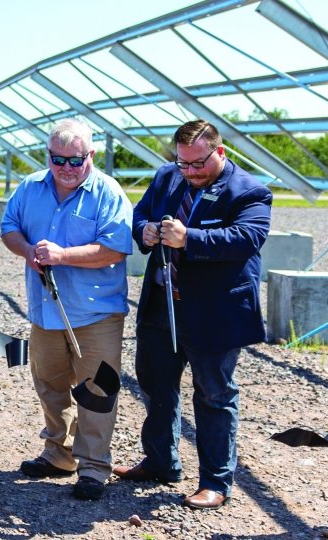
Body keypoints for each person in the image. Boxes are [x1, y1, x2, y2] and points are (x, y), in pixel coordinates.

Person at [115, 119, 271, 510]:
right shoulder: (169, 177)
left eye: (198, 164)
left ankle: (216, 482)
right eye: (183, 164)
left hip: (214, 312)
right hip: (161, 305)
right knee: (155, 384)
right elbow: (139, 213)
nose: (190, 172)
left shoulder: (249, 191)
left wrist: (190, 239)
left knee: (214, 394)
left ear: (219, 152)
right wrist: (146, 230)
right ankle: (160, 461)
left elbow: (247, 238)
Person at [0, 119, 133, 500]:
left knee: (97, 392)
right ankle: (59, 454)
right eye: (59, 160)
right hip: (46, 314)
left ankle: (93, 468)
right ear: (49, 155)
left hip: (95, 315)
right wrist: (26, 251)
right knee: (51, 386)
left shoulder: (107, 193)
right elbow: (9, 227)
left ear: (90, 156)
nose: (67, 169)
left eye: (76, 161)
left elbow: (115, 247)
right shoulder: (30, 187)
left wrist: (62, 256)